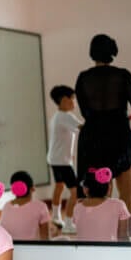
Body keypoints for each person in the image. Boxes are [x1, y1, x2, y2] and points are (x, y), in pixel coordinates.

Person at [75, 34, 131, 237]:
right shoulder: (123, 75)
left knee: (95, 193)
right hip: (120, 136)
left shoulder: (83, 78)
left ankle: (95, 236)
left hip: (93, 138)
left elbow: (85, 112)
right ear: (112, 52)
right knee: (126, 191)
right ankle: (129, 233)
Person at [47, 85, 83, 231]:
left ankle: (56, 217)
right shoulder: (66, 116)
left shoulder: (57, 116)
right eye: (72, 99)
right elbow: (82, 127)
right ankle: (68, 223)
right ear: (64, 100)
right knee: (75, 191)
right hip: (62, 161)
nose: (74, 102)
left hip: (55, 159)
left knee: (59, 186)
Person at [74, 167, 130, 241]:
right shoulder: (119, 205)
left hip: (82, 251)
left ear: (85, 189)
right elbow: (123, 237)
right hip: (108, 251)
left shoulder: (78, 207)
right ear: (109, 188)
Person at [0, 171, 51, 240]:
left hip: (8, 249)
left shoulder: (6, 206)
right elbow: (46, 239)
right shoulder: (41, 207)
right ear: (32, 188)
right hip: (30, 249)